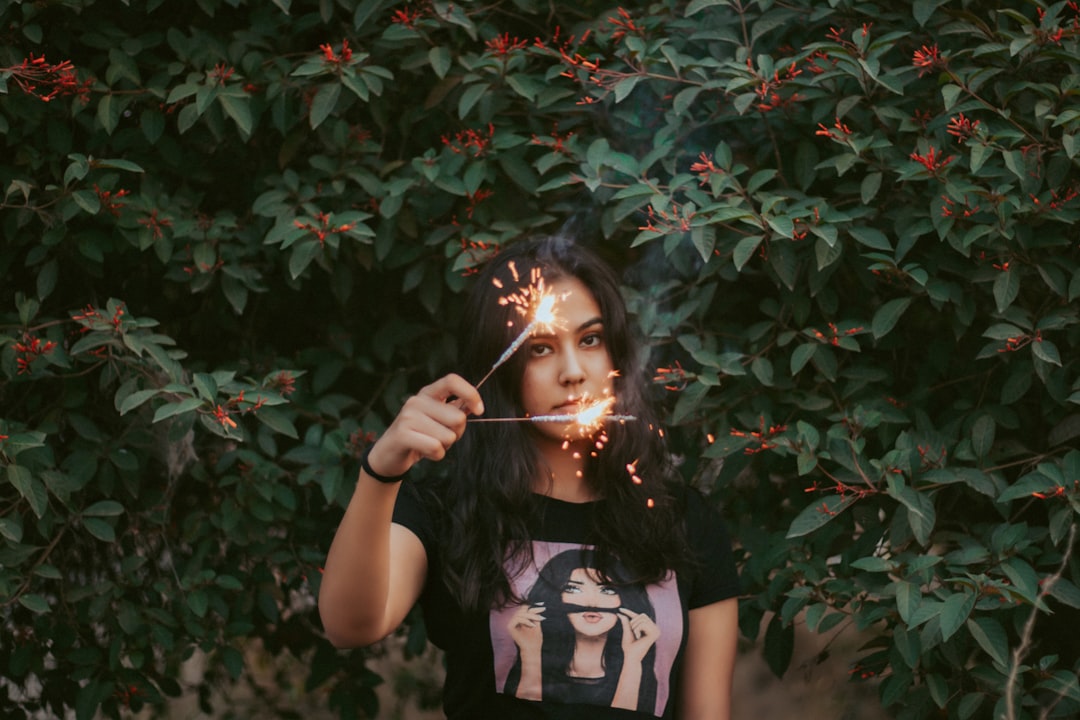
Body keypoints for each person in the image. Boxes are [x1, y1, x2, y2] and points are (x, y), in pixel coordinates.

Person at [319, 236, 740, 719]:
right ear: (500, 368)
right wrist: (381, 472)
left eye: (590, 340)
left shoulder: (682, 520)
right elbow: (348, 626)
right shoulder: (446, 510)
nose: (574, 372)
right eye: (540, 348)